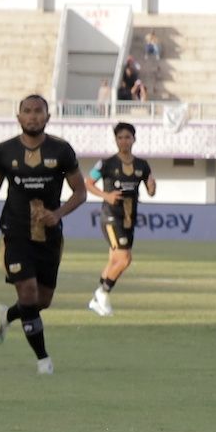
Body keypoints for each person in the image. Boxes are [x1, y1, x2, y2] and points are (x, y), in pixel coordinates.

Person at [0, 95, 88, 373]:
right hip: (15, 231)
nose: (32, 116)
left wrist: (58, 214)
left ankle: (7, 314)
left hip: (49, 235)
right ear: (18, 117)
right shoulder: (3, 151)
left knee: (42, 301)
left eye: (38, 111)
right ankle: (43, 360)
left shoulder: (62, 151)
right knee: (27, 292)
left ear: (48, 117)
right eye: (27, 111)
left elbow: (80, 191)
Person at [86, 121, 154, 317]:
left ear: (134, 139)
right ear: (115, 140)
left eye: (127, 137)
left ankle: (97, 300)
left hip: (128, 218)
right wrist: (106, 196)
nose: (124, 141)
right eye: (120, 137)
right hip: (110, 216)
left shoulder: (142, 165)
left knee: (115, 259)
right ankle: (102, 292)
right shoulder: (106, 163)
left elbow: (150, 191)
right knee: (125, 259)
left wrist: (152, 186)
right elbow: (88, 183)